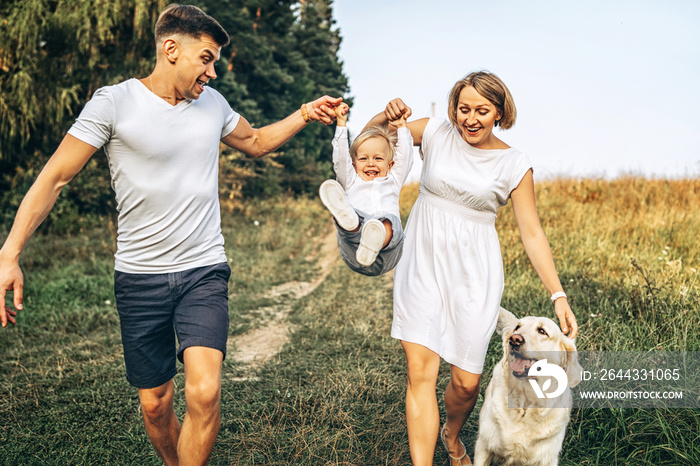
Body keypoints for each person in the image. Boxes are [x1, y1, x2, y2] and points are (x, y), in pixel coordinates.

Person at [0, 4, 341, 465]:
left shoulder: (213, 106)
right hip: (139, 278)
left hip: (203, 270)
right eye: (206, 59)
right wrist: (10, 252)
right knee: (155, 404)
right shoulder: (114, 102)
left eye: (214, 61)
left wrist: (305, 112)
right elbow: (54, 178)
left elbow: (257, 142)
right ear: (171, 49)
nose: (213, 72)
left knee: (204, 392)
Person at [365, 71, 579, 466]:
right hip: (423, 262)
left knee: (466, 384)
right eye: (463, 109)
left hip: (475, 274)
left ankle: (451, 431)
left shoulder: (514, 163)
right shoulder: (433, 133)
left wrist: (558, 295)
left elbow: (532, 234)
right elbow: (370, 144)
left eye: (482, 110)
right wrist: (383, 115)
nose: (471, 119)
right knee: (420, 373)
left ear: (499, 112)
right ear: (454, 108)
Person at [319, 102, 413, 276]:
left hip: (387, 254)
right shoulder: (351, 181)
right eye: (363, 159)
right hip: (354, 250)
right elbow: (340, 158)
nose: (370, 163)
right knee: (355, 217)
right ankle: (351, 222)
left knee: (390, 222)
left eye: (378, 158)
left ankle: (373, 236)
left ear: (390, 164)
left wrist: (402, 127)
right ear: (353, 165)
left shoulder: (392, 180)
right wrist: (341, 123)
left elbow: (405, 158)